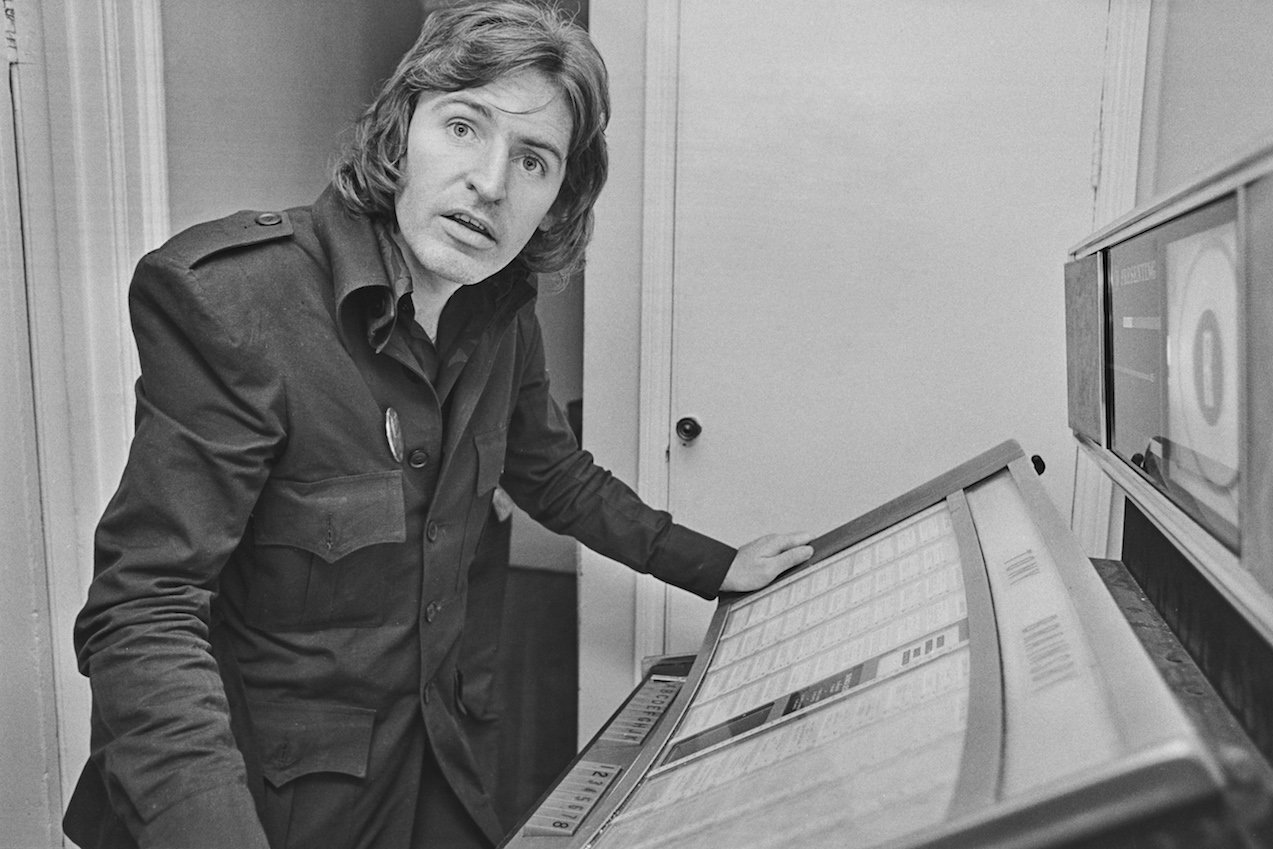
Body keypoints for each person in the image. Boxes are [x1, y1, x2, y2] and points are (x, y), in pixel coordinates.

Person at [63, 3, 814, 848]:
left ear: (556, 197)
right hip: (255, 803)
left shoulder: (498, 312)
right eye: (464, 126)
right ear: (400, 132)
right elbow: (145, 609)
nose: (490, 182)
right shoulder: (235, 302)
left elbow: (553, 474)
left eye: (532, 160)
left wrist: (717, 566)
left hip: (433, 766)